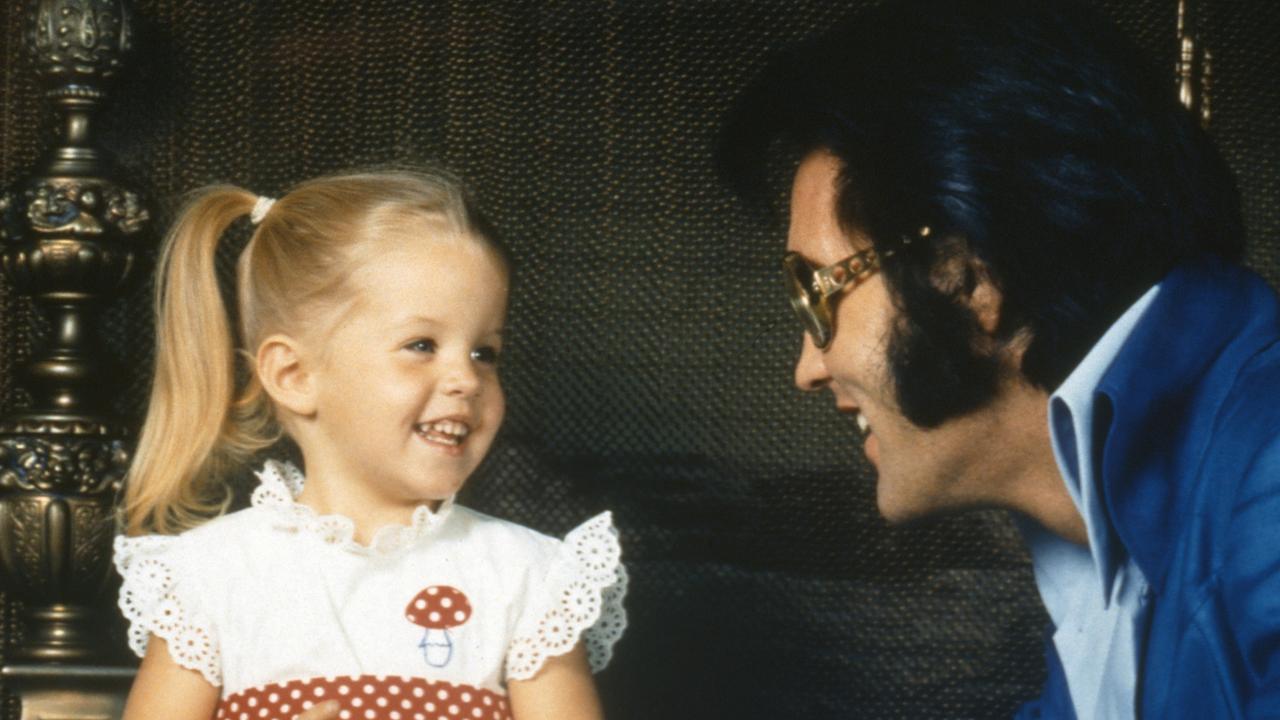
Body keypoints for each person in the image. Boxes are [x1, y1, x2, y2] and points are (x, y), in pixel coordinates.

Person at [719, 0, 1280, 717]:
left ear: (966, 277)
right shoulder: (1101, 564)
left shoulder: (1267, 471)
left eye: (816, 294)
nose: (807, 367)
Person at [113, 170, 628, 720]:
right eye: (422, 345)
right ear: (294, 375)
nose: (466, 379)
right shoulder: (211, 575)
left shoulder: (527, 576)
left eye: (485, 353)